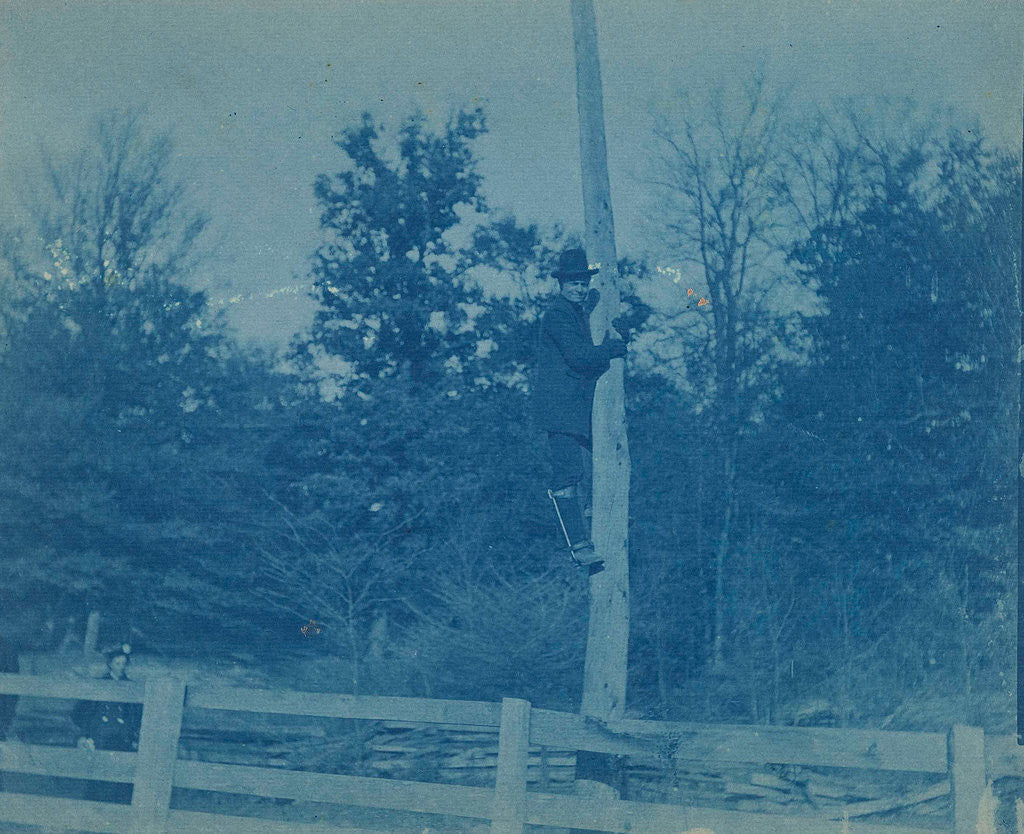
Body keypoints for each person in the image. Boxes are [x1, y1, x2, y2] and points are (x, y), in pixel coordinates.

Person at [533, 247, 627, 569]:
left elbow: (587, 356)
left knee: (602, 460)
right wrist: (612, 348)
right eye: (573, 282)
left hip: (576, 406)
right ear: (561, 284)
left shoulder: (577, 313)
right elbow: (580, 357)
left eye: (583, 282)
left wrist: (612, 340)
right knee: (568, 473)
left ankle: (592, 514)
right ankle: (579, 545)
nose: (579, 288)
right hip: (560, 408)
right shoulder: (558, 314)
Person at [71, 644, 141, 803]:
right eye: (117, 663)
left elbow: (136, 716)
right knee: (98, 778)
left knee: (121, 778)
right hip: (100, 738)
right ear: (110, 664)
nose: (121, 668)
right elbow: (80, 713)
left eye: (124, 664)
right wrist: (84, 735)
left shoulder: (131, 687)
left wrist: (134, 735)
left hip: (121, 739)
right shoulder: (99, 685)